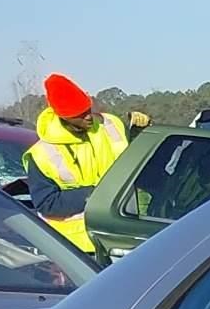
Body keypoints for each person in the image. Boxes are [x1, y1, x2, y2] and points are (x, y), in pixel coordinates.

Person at [22, 73, 130, 256]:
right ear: (63, 117)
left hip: (122, 237)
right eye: (80, 114)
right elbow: (47, 204)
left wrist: (140, 129)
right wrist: (94, 194)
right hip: (77, 249)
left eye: (88, 109)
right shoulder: (41, 154)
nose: (89, 117)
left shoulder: (112, 126)